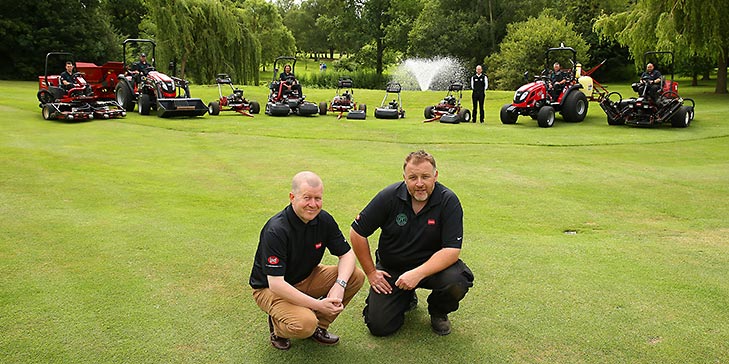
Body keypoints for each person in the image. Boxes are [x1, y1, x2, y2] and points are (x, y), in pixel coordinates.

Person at [350, 150, 474, 337]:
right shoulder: (389, 196)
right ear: (404, 178)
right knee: (379, 327)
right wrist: (371, 273)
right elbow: (357, 232)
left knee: (458, 280)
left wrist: (416, 274)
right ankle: (406, 297)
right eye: (413, 177)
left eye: (425, 176)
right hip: (393, 268)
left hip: (432, 269)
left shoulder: (448, 200)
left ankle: (438, 312)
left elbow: (451, 250)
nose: (419, 184)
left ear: (435, 176)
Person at [249, 171, 364, 350]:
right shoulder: (276, 229)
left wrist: (339, 286)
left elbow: (347, 255)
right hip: (269, 289)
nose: (313, 204)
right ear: (292, 197)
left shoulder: (324, 219)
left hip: (305, 277)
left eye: (317, 198)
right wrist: (318, 305)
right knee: (304, 324)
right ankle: (279, 328)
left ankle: (320, 327)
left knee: (355, 276)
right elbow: (276, 283)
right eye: (306, 198)